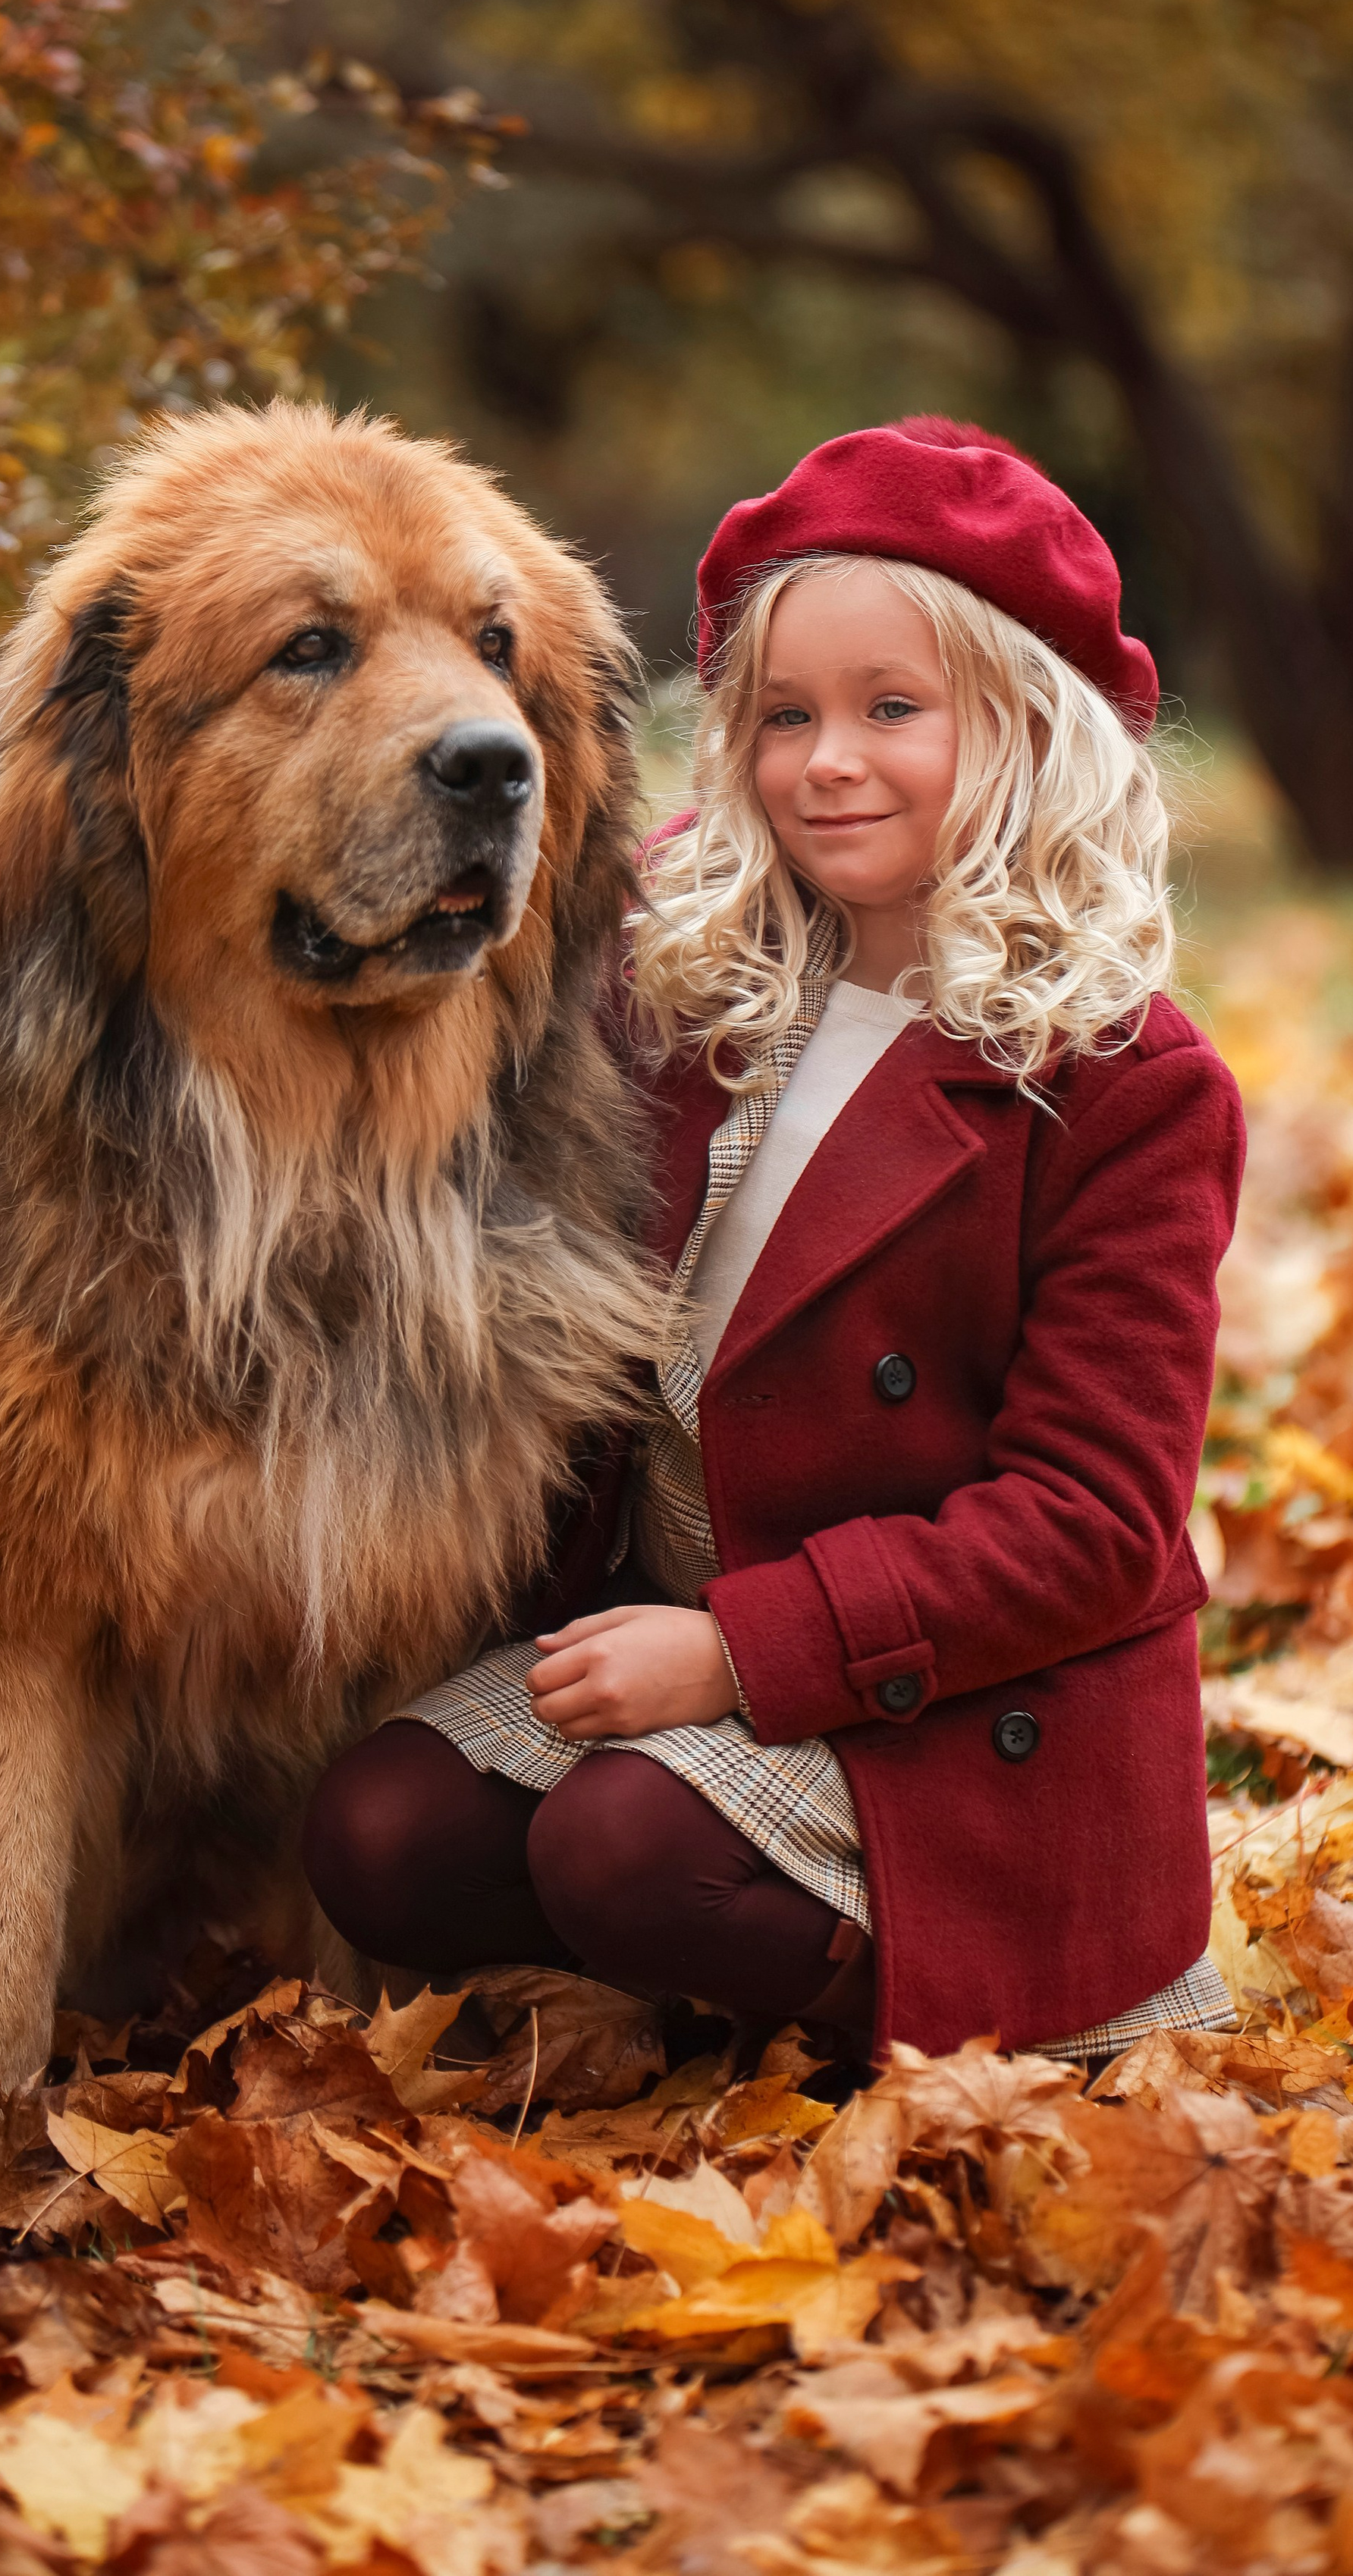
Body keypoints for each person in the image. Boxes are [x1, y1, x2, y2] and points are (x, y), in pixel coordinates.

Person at [303, 416, 1245, 2065]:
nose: (826, 763)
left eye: (893, 711)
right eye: (783, 715)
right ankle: (667, 1963)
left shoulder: (1121, 1081)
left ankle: (925, 2015)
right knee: (376, 1833)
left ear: (1030, 726)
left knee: (622, 1849)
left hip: (944, 1701)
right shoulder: (689, 979)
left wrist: (743, 1650)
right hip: (665, 1620)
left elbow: (1090, 1523)